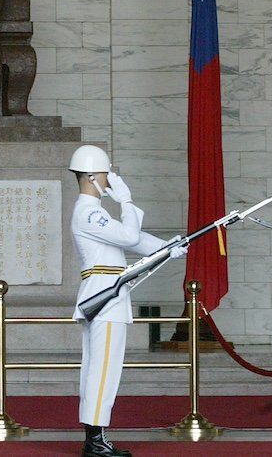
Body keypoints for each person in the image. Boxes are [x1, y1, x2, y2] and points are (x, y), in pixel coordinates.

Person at [68, 145, 187, 457]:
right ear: (92, 176)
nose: (111, 179)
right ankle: (94, 441)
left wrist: (168, 246)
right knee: (103, 369)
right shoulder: (90, 212)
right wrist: (127, 200)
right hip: (105, 301)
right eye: (107, 173)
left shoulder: (94, 212)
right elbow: (130, 237)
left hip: (106, 296)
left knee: (100, 368)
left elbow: (130, 237)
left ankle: (95, 437)